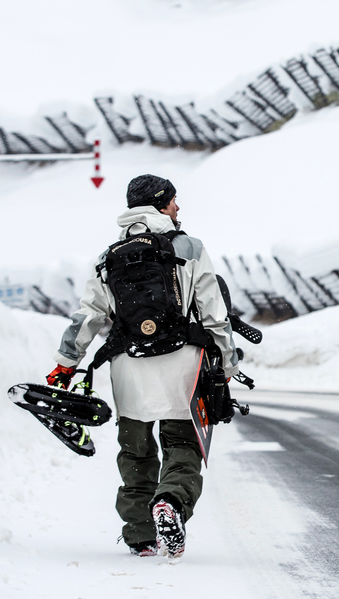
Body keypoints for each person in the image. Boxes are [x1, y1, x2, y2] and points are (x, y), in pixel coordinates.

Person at [46, 174, 238, 558]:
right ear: (160, 203)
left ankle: (140, 534)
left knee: (135, 453)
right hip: (183, 364)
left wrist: (66, 364)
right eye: (173, 201)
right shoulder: (189, 246)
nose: (178, 208)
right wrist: (227, 364)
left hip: (128, 366)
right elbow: (214, 314)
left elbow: (88, 316)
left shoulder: (108, 255)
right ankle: (171, 502)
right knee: (183, 445)